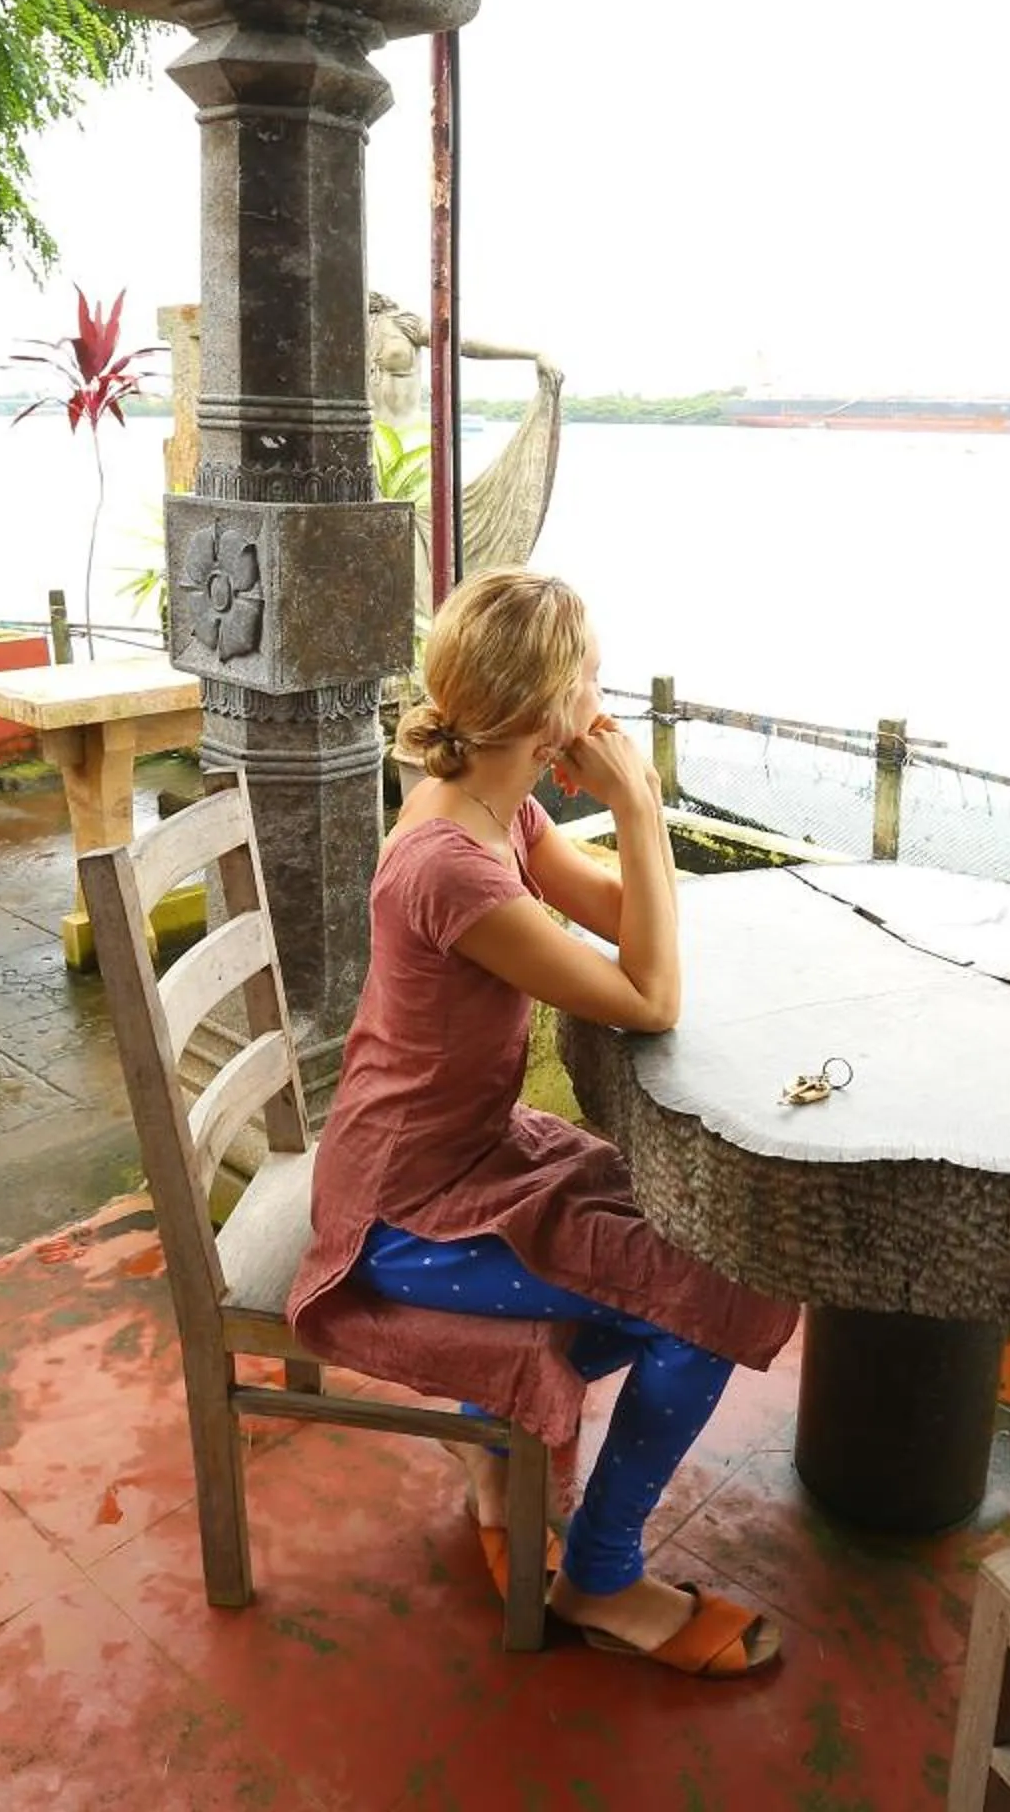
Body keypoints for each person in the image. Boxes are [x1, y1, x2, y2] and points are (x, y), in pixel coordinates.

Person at [285, 568, 797, 1678]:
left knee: (685, 1245)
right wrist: (640, 803)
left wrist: (626, 829)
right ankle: (601, 1579)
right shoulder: (453, 867)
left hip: (465, 1155)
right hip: (405, 1216)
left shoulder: (497, 810)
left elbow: (627, 917)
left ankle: (497, 1431)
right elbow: (653, 993)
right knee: (723, 1291)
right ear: (546, 708)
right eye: (593, 678)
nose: (603, 699)